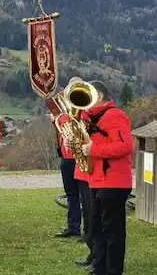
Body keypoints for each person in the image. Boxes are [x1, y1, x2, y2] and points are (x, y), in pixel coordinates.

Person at [68, 80, 134, 275]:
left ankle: (113, 271)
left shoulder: (115, 116)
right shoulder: (90, 119)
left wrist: (93, 149)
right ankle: (99, 268)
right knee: (96, 229)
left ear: (100, 96)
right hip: (96, 179)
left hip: (113, 181)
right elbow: (85, 148)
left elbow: (125, 146)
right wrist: (74, 143)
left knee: (112, 231)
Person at [52, 76, 84, 238]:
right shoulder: (64, 108)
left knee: (85, 195)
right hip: (67, 156)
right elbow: (62, 129)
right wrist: (55, 120)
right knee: (71, 194)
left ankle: (89, 230)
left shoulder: (85, 107)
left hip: (81, 155)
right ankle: (73, 226)